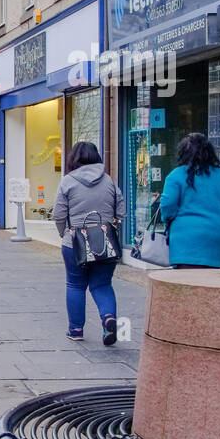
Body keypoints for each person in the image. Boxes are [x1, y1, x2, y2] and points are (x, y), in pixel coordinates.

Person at [53, 141, 126, 344]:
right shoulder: (109, 180)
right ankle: (108, 318)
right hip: (105, 240)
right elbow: (121, 210)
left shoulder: (67, 182)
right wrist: (112, 228)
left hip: (74, 240)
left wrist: (65, 234)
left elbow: (58, 214)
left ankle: (76, 330)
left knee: (75, 285)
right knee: (102, 284)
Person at [160, 132, 220, 269]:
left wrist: (168, 223)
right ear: (210, 153)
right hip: (219, 237)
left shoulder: (177, 175)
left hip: (186, 240)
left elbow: (167, 206)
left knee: (186, 285)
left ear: (183, 153)